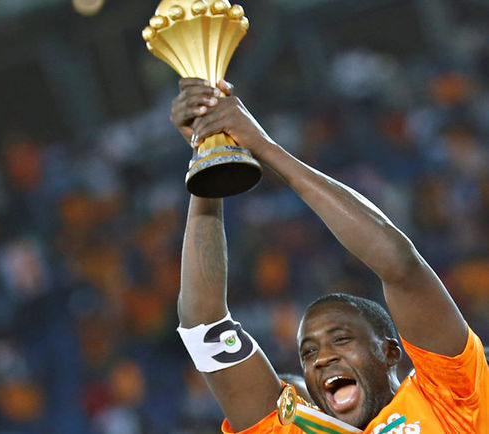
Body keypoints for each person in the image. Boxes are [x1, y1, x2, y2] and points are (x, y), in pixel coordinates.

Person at [170, 78, 489, 433]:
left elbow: (400, 265)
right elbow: (204, 327)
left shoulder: (447, 396)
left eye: (341, 339)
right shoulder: (304, 428)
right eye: (308, 352)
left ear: (389, 352)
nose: (322, 358)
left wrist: (264, 147)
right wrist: (210, 157)